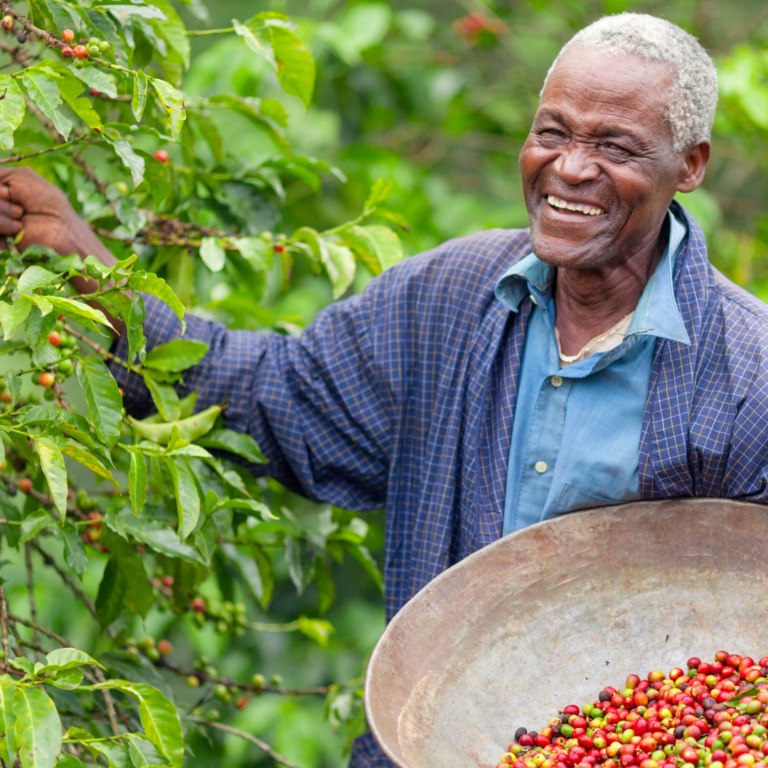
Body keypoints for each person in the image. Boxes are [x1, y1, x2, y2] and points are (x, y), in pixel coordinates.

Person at [0, 12, 765, 767]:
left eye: (615, 146)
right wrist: (97, 275)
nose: (569, 167)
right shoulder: (446, 299)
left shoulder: (748, 372)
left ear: (689, 165)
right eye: (553, 132)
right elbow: (277, 392)